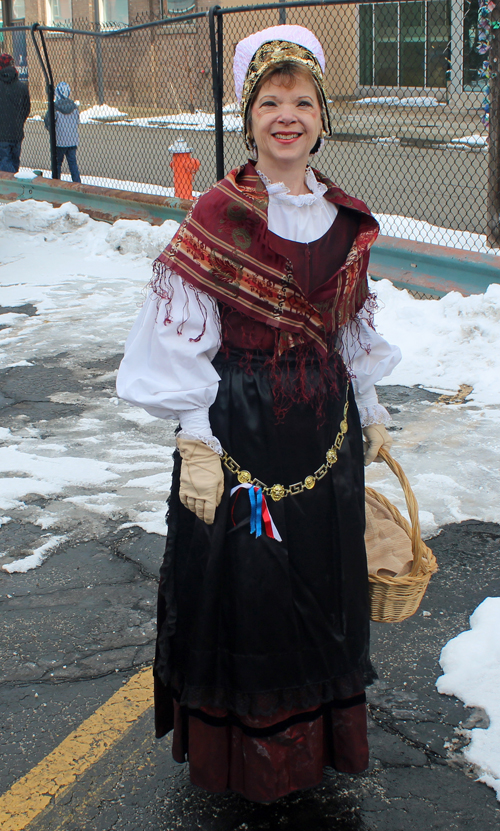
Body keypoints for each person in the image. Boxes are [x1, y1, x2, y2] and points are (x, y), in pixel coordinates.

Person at [117, 25, 402, 803]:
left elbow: (349, 328)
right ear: (248, 118)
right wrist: (197, 440)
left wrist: (370, 408)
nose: (288, 114)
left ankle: (312, 749)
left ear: (321, 118)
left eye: (303, 101)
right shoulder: (218, 215)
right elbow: (180, 339)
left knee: (321, 584)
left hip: (325, 434)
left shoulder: (346, 220)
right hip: (238, 428)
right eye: (270, 100)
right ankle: (244, 760)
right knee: (248, 592)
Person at [44, 82, 81, 183]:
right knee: (73, 164)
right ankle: (77, 183)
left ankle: (56, 183)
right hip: (72, 141)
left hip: (59, 141)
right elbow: (77, 121)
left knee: (57, 164)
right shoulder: (74, 106)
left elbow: (48, 122)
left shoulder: (55, 107)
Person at [0, 53, 30, 173]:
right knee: (14, 162)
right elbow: (26, 109)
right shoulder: (21, 87)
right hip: (17, 133)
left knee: (4, 165)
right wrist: (18, 121)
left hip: (1, 135)